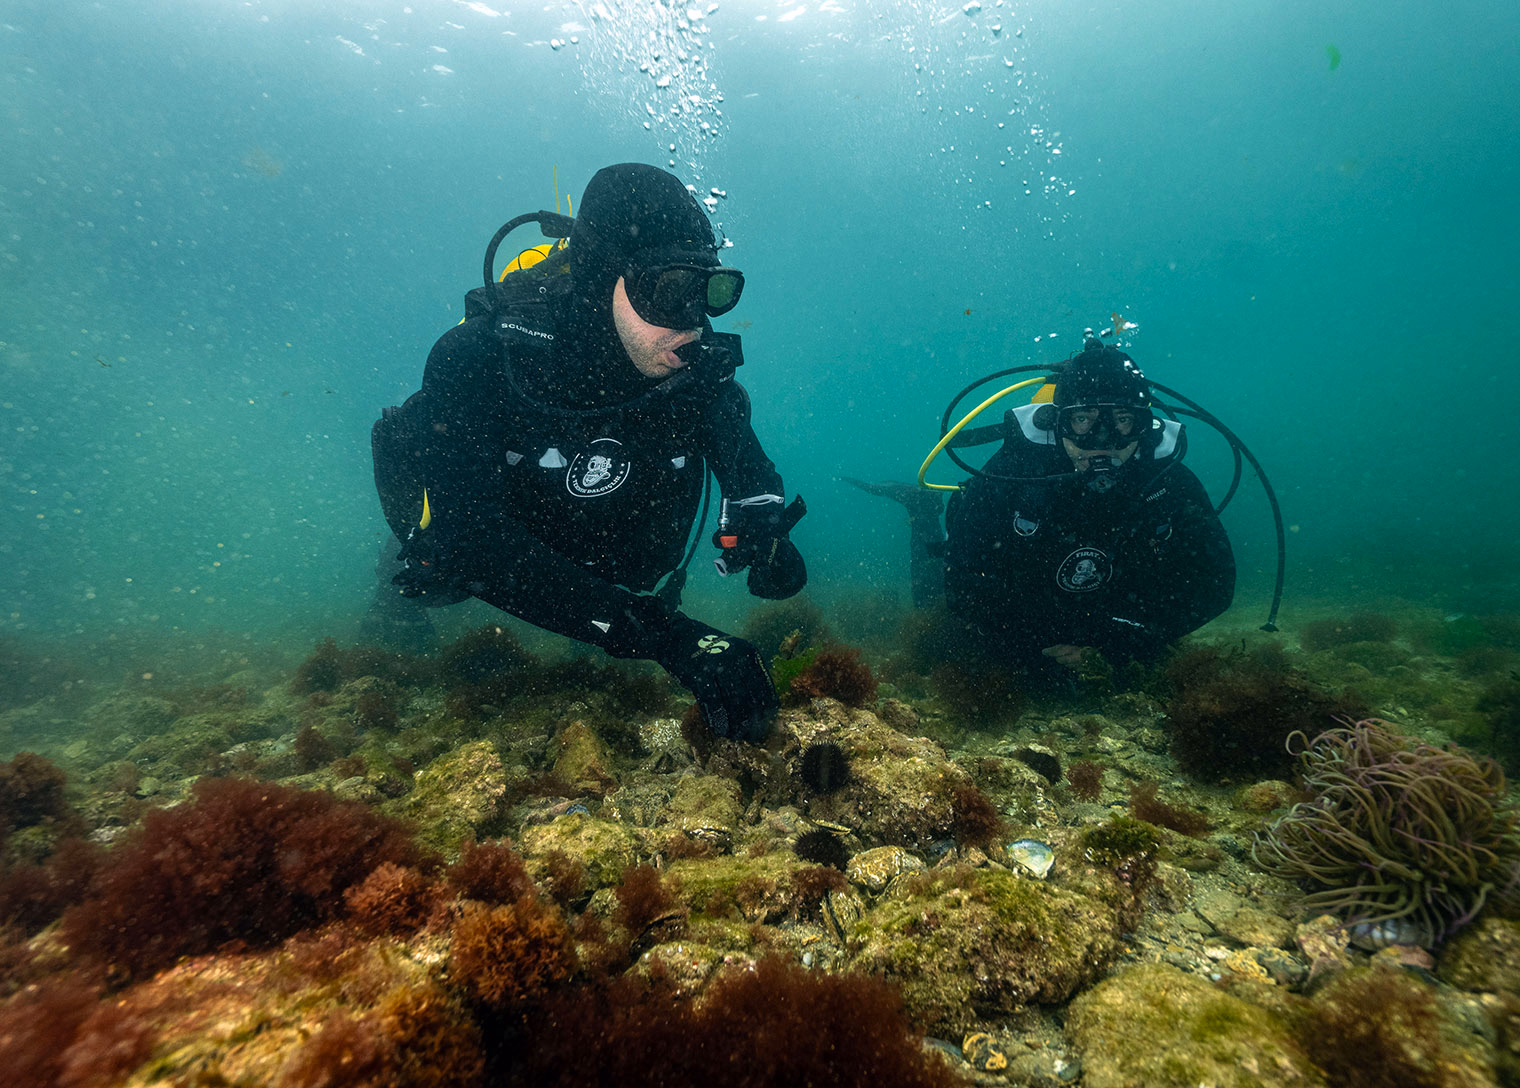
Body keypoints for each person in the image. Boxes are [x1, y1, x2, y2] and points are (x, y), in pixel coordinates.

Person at [365, 163, 807, 741]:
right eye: (668, 290)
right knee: (437, 567)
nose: (693, 323)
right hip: (505, 540)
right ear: (602, 278)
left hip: (611, 556)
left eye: (709, 292)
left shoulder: (693, 372)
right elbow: (473, 542)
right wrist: (666, 637)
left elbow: (751, 477)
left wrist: (768, 539)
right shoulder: (479, 359)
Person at [851, 338, 1235, 678]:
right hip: (1021, 609)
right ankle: (922, 509)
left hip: (1110, 609)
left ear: (1144, 425)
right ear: (1058, 423)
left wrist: (1118, 642)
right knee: (931, 611)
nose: (1101, 441)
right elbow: (961, 586)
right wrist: (1039, 644)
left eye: (1122, 420)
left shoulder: (1166, 480)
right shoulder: (1017, 469)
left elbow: (1215, 585)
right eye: (1082, 419)